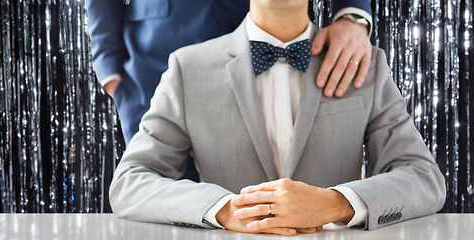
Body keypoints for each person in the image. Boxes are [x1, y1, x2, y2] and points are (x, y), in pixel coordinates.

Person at [108, 0, 446, 236]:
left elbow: (424, 178)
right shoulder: (187, 68)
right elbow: (130, 182)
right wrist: (226, 210)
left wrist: (335, 204)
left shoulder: (364, 65)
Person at [86, 0, 374, 144]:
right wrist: (108, 68)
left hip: (268, 44)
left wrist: (353, 13)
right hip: (152, 64)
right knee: (163, 203)